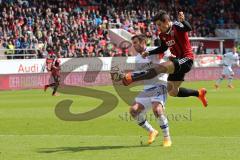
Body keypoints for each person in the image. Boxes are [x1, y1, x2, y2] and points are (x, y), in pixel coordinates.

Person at [112, 10, 208, 107]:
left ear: (166, 21)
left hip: (186, 59)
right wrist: (149, 52)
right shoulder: (162, 35)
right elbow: (163, 48)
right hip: (177, 62)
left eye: (159, 24)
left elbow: (188, 28)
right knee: (172, 92)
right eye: (157, 25)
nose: (158, 28)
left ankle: (131, 77)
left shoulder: (176, 26)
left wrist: (182, 21)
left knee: (159, 68)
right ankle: (199, 93)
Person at [127, 34, 172, 147]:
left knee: (157, 109)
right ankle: (152, 131)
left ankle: (167, 138)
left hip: (160, 85)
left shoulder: (154, 50)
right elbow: (140, 74)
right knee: (133, 110)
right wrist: (128, 77)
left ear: (143, 42)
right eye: (133, 44)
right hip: (147, 88)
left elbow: (165, 52)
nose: (134, 45)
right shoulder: (137, 58)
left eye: (136, 43)